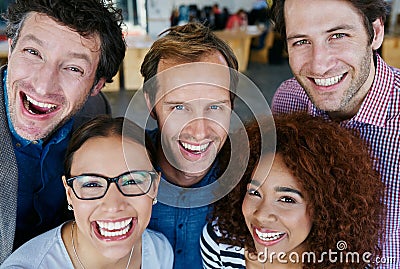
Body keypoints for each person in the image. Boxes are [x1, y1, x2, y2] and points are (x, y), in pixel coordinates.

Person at [270, 0, 399, 266]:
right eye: (301, 42)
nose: (319, 66)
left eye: (337, 36)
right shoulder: (287, 99)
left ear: (375, 33)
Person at [0, 0, 126, 263]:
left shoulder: (95, 112)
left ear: (97, 85)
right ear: (11, 49)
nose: (44, 86)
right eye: (33, 52)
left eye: (73, 68)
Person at [201, 113, 385, 268]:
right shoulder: (220, 242)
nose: (263, 215)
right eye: (254, 192)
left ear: (324, 210)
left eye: (287, 199)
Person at [1, 115, 173, 268]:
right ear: (69, 193)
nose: (113, 206)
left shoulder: (160, 250)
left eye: (132, 181)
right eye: (91, 185)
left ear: (154, 186)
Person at [139, 22, 238, 269]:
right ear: (151, 103)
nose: (199, 131)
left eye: (215, 107)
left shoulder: (252, 185)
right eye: (179, 108)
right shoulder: (118, 173)